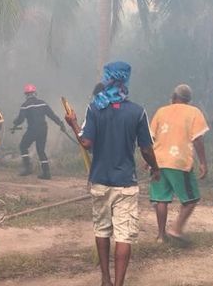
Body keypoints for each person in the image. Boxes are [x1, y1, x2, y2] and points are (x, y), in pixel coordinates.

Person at [64, 61, 159, 286]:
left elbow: (86, 142)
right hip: (126, 182)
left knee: (102, 229)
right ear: (126, 80)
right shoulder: (137, 112)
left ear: (107, 78)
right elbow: (146, 148)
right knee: (124, 235)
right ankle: (118, 284)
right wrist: (156, 168)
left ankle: (105, 279)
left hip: (100, 180)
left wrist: (73, 123)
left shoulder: (95, 108)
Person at [149, 84, 209, 242]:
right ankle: (176, 229)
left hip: (158, 161)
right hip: (179, 162)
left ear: (173, 97)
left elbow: (151, 138)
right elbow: (197, 139)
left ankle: (161, 236)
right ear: (188, 100)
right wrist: (203, 162)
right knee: (191, 199)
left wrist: (148, 159)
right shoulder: (194, 112)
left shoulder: (161, 111)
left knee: (161, 199)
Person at [13, 84, 66, 179]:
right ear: (35, 93)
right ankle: (46, 172)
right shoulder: (42, 103)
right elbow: (52, 115)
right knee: (41, 150)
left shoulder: (25, 105)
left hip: (32, 129)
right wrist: (61, 124)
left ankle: (27, 167)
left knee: (23, 146)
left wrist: (15, 122)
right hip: (43, 129)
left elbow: (20, 120)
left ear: (26, 94)